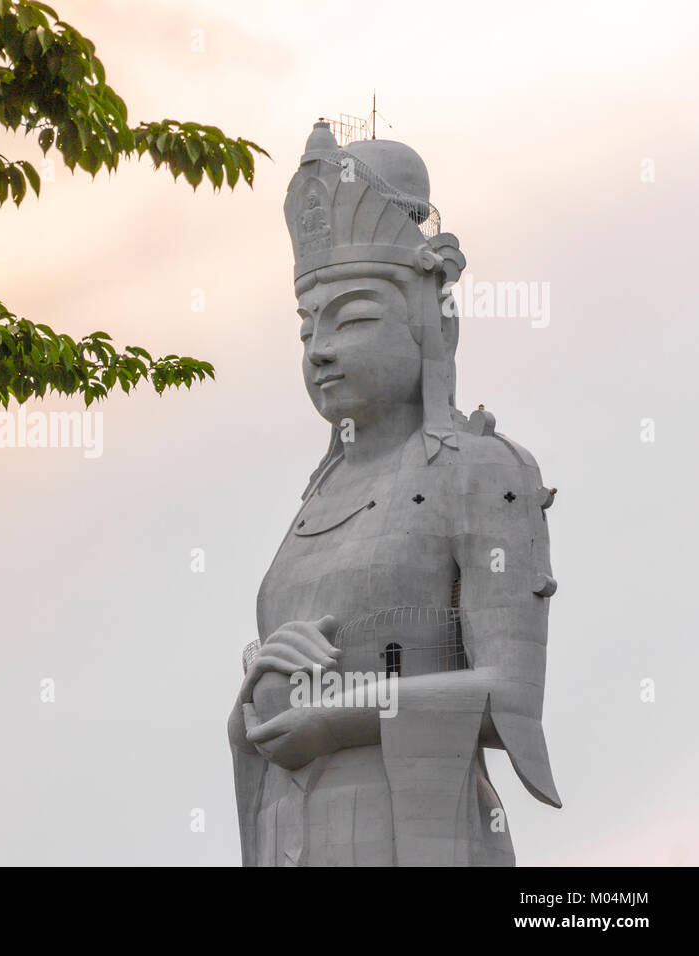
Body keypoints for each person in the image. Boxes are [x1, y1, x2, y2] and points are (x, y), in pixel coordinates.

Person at [229, 122, 561, 866]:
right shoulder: (315, 497)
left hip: (416, 835)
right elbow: (269, 715)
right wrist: (260, 688)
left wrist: (341, 717)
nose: (320, 349)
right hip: (296, 832)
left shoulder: (479, 470)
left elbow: (511, 699)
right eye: (307, 326)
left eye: (352, 317)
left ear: (426, 317)